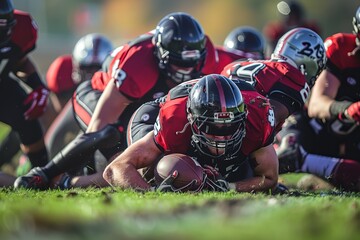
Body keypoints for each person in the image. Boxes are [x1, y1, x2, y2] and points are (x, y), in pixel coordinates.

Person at [14, 12, 249, 190]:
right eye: (179, 63)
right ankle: (49, 175)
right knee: (112, 142)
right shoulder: (138, 63)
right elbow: (98, 127)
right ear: (160, 55)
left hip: (141, 106)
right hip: (98, 94)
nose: (186, 72)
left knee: (147, 156)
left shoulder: (211, 55)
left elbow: (253, 65)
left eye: (191, 64)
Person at [103, 74, 278, 193]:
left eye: (229, 127)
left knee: (239, 175)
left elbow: (269, 178)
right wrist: (152, 192)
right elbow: (115, 169)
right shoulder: (175, 120)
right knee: (165, 170)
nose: (221, 137)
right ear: (191, 120)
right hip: (153, 113)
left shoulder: (258, 117)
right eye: (211, 128)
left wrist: (228, 186)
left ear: (244, 118)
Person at [276, 7, 360, 192]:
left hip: (348, 144)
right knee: (288, 149)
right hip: (313, 131)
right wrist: (348, 110)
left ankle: (308, 165)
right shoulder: (341, 49)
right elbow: (316, 104)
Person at [221, 27, 326, 132]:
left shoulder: (237, 64)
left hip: (214, 119)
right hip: (238, 131)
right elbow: (266, 126)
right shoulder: (289, 76)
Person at [0, 0, 50, 186]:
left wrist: (38, 86)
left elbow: (19, 60)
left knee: (28, 120)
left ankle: (43, 174)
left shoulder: (22, 28)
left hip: (2, 85)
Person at [44, 33, 114, 159]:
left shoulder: (120, 90)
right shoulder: (79, 94)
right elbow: (55, 139)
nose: (92, 75)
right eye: (87, 68)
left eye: (97, 68)